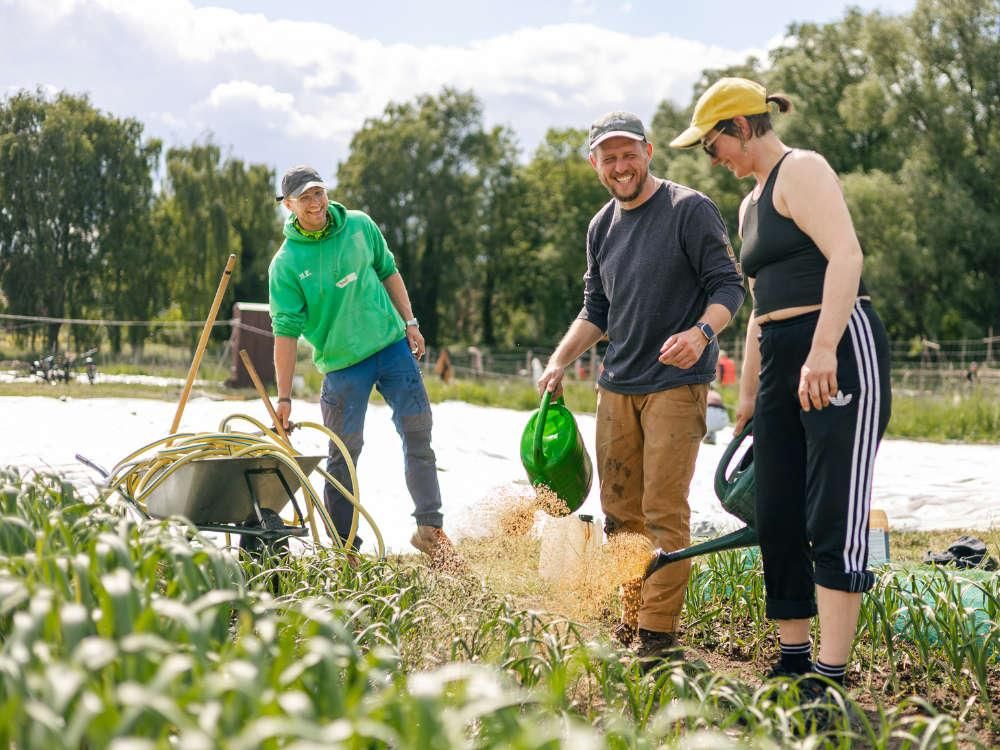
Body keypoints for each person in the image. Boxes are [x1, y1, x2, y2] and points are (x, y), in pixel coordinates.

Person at [670, 77, 892, 693]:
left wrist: (822, 349)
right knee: (778, 508)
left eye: (712, 146)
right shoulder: (750, 205)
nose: (713, 160)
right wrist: (749, 398)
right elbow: (759, 308)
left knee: (833, 507)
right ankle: (794, 659)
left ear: (741, 127)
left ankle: (830, 676)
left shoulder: (803, 170)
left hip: (838, 344)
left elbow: (846, 256)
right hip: (780, 355)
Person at [537, 112, 745, 665]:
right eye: (609, 158)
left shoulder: (689, 209)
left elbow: (729, 286)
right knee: (619, 510)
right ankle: (629, 618)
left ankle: (657, 636)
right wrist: (559, 360)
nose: (621, 166)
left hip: (677, 382)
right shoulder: (600, 226)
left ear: (649, 152)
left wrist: (702, 333)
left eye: (629, 154)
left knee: (662, 508)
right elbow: (596, 310)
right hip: (617, 385)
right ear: (595, 165)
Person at [268, 165, 462, 569]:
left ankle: (430, 530)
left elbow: (388, 271)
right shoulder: (286, 263)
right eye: (304, 198)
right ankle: (346, 551)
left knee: (418, 432)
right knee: (343, 454)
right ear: (288, 205)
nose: (315, 203)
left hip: (391, 348)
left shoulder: (358, 225)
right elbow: (285, 333)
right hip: (342, 367)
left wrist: (410, 322)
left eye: (318, 193)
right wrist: (284, 398)